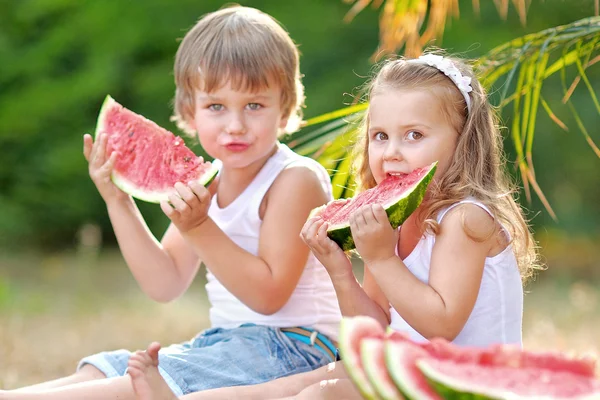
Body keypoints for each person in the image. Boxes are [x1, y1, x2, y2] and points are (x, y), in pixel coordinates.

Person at [124, 52, 540, 400]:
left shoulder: (466, 219)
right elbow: (375, 329)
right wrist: (339, 269)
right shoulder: (392, 221)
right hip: (413, 375)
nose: (392, 152)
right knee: (306, 380)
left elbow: (441, 324)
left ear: (462, 140)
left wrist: (379, 257)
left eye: (413, 135)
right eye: (380, 136)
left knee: (323, 393)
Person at [0, 5, 342, 400]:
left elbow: (268, 296)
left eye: (254, 105)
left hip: (299, 348)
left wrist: (198, 226)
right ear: (188, 111)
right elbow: (164, 283)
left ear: (284, 109)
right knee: (101, 368)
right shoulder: (208, 179)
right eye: (216, 106)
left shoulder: (295, 179)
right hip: (229, 342)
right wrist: (118, 201)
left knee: (146, 384)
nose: (235, 125)